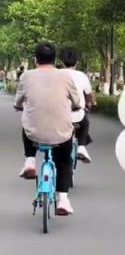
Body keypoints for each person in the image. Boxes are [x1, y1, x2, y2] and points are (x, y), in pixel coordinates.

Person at [14, 42, 83, 215]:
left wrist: (19, 106)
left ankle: (30, 160)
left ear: (35, 59)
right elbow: (77, 102)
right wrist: (75, 107)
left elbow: (18, 102)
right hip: (61, 134)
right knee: (64, 161)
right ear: (55, 59)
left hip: (34, 134)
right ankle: (63, 200)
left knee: (27, 123)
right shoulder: (65, 76)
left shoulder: (26, 76)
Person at [59, 46, 96, 164]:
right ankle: (81, 147)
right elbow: (89, 94)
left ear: (61, 61)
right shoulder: (81, 75)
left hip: (56, 116)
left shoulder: (55, 74)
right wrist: (92, 103)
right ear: (77, 62)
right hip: (76, 116)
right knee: (85, 122)